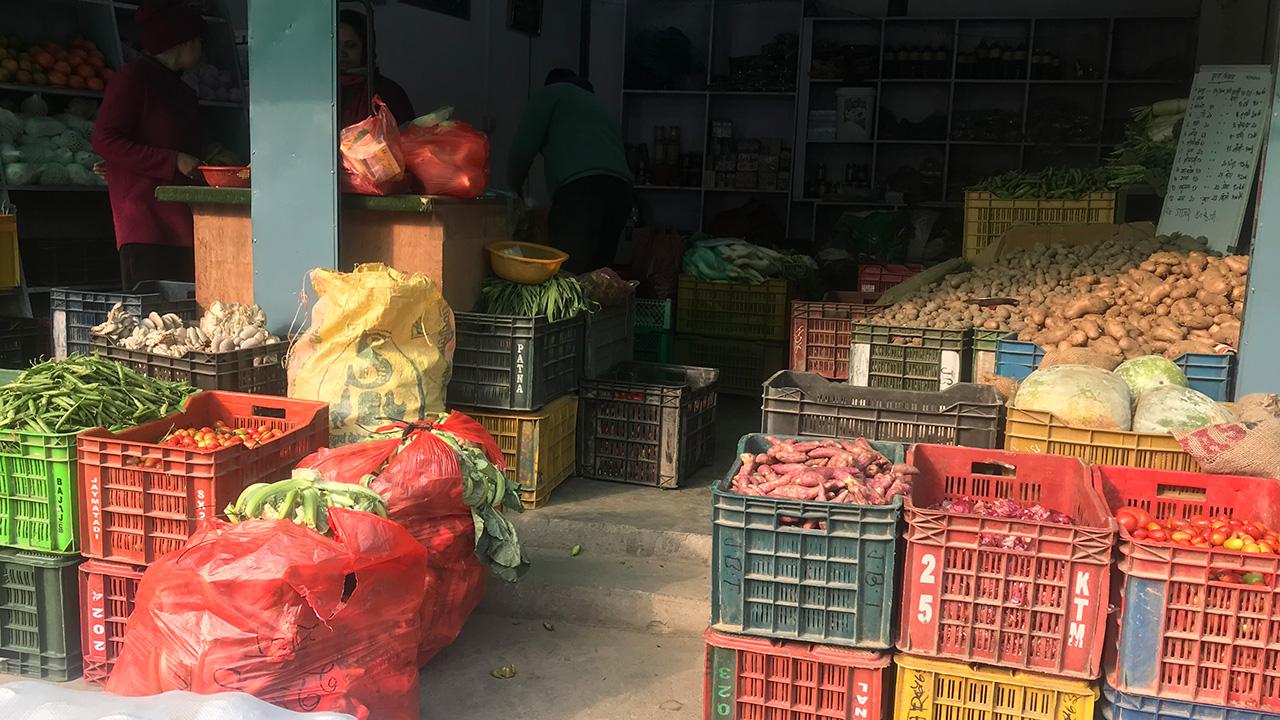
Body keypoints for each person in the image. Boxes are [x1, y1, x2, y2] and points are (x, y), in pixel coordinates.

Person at [92, 0, 204, 291]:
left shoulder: (183, 90)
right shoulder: (131, 80)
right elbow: (105, 139)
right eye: (198, 41)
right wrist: (172, 160)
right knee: (152, 321)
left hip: (183, 220)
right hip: (144, 220)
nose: (203, 49)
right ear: (182, 43)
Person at [508, 69, 633, 273]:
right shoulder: (599, 105)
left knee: (569, 272)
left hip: (582, 190)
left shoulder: (549, 94)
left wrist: (515, 190)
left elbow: (522, 148)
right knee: (600, 274)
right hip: (621, 191)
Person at [338, 9, 414, 128]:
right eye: (335, 45)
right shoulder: (313, 90)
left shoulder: (389, 92)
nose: (341, 53)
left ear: (366, 48)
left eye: (350, 45)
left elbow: (407, 139)